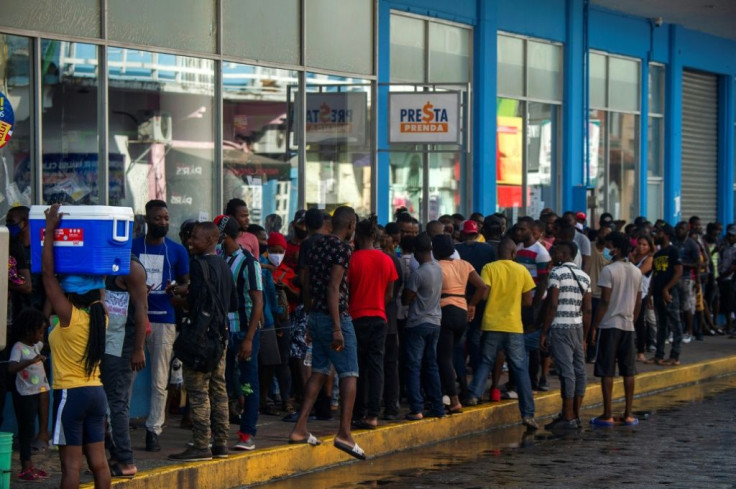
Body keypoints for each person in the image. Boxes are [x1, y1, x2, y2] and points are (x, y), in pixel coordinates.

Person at [288, 206, 366, 460]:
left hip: (316, 316)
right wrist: (336, 327)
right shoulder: (343, 248)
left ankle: (300, 428)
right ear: (351, 225)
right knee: (349, 372)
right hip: (336, 318)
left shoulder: (315, 245)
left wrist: (311, 320)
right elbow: (334, 288)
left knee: (320, 371)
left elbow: (309, 284)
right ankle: (344, 432)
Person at [42, 203, 111, 489]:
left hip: (71, 395)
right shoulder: (101, 317)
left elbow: (47, 276)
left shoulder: (69, 316)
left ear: (70, 294)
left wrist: (50, 231)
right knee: (99, 462)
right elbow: (100, 276)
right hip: (96, 394)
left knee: (70, 466)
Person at [168, 222, 238, 461]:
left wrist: (179, 300)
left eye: (195, 238)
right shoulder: (224, 265)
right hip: (221, 337)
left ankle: (200, 445)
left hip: (201, 338)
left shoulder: (198, 265)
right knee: (219, 390)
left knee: (198, 391)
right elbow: (232, 302)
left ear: (210, 240)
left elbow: (197, 303)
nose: (190, 241)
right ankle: (221, 443)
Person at [131, 199, 190, 452]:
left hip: (164, 321)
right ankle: (116, 427)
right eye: (158, 218)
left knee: (159, 380)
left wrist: (175, 289)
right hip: (134, 320)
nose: (163, 222)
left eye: (166, 218)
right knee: (126, 379)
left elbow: (187, 285)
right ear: (147, 220)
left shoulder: (177, 251)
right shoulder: (133, 247)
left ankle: (153, 430)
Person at [468, 238, 538, 430]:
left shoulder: (489, 268)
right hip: (513, 325)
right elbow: (528, 301)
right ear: (514, 253)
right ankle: (528, 414)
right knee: (520, 368)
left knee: (485, 361)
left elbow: (483, 294)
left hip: (491, 323)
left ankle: (474, 394)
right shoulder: (522, 270)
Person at [214, 215, 264, 451]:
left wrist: (249, 338)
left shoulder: (248, 262)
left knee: (247, 384)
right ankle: (218, 432)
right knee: (221, 383)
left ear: (224, 236)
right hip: (224, 331)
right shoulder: (219, 257)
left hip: (243, 332)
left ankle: (247, 433)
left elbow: (257, 303)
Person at [101, 253, 148, 478]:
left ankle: (125, 460)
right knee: (107, 402)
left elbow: (142, 310)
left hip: (122, 345)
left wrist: (138, 348)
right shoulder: (104, 261)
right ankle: (114, 455)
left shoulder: (131, 268)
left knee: (118, 403)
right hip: (106, 344)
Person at [348, 215, 398, 429]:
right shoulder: (386, 259)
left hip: (356, 318)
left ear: (357, 236)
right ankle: (373, 415)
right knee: (376, 367)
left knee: (356, 368)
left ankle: (357, 412)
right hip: (379, 318)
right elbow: (389, 294)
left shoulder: (352, 259)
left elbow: (346, 291)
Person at [590, 232, 642, 427]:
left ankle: (608, 413)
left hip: (609, 325)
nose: (607, 250)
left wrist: (595, 325)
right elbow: (638, 302)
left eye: (610, 246)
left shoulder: (609, 270)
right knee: (628, 371)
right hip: (628, 326)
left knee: (607, 370)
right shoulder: (636, 271)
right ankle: (628, 414)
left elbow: (604, 300)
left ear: (617, 249)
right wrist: (632, 320)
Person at [433, 234, 488, 412]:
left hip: (445, 311)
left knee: (443, 358)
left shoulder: (437, 267)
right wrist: (472, 305)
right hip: (462, 312)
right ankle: (449, 393)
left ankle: (454, 400)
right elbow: (483, 286)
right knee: (452, 355)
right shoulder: (465, 264)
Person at [541, 241, 592, 430]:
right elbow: (587, 309)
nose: (553, 255)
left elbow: (552, 304)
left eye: (555, 252)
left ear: (563, 254)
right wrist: (585, 337)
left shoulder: (556, 273)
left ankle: (568, 416)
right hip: (577, 328)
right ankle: (575, 415)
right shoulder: (584, 276)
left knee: (566, 372)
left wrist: (544, 331)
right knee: (579, 370)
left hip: (560, 327)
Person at [402, 233, 445, 421]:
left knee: (413, 367)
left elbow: (406, 299)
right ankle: (437, 406)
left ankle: (416, 408)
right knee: (431, 365)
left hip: (418, 323)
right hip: (435, 321)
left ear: (418, 252)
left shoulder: (418, 274)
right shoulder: (439, 269)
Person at [9, 309, 50, 482]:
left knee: (31, 429)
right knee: (25, 431)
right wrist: (31, 361)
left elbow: (46, 345)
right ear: (28, 331)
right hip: (23, 394)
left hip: (35, 393)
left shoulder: (36, 346)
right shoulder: (19, 348)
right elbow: (11, 368)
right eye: (39, 332)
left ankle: (30, 465)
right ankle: (25, 465)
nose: (41, 336)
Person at [514, 216, 551, 392]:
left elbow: (543, 281)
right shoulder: (519, 249)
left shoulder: (541, 252)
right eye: (518, 229)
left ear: (531, 230)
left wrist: (535, 309)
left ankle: (533, 381)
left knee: (533, 344)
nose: (519, 232)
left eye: (523, 229)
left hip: (535, 302)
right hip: (521, 302)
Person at [646, 224, 684, 365]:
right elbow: (655, 275)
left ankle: (675, 356)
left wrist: (666, 289)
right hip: (657, 294)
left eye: (659, 232)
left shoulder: (673, 251)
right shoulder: (658, 254)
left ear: (666, 234)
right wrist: (650, 293)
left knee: (675, 324)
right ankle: (659, 355)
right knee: (661, 325)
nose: (656, 235)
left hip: (669, 294)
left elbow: (678, 272)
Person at [629, 235, 654, 361]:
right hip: (629, 292)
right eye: (639, 244)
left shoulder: (649, 259)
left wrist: (631, 261)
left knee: (639, 322)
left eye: (644, 244)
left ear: (649, 246)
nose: (641, 247)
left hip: (641, 294)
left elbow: (638, 272)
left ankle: (641, 352)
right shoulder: (633, 256)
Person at [718, 225, 736, 336]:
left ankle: (731, 326)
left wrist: (722, 276)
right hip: (725, 278)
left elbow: (734, 267)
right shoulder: (726, 247)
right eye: (729, 235)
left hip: (731, 279)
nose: (730, 238)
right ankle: (729, 326)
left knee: (732, 304)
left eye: (732, 236)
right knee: (727, 305)